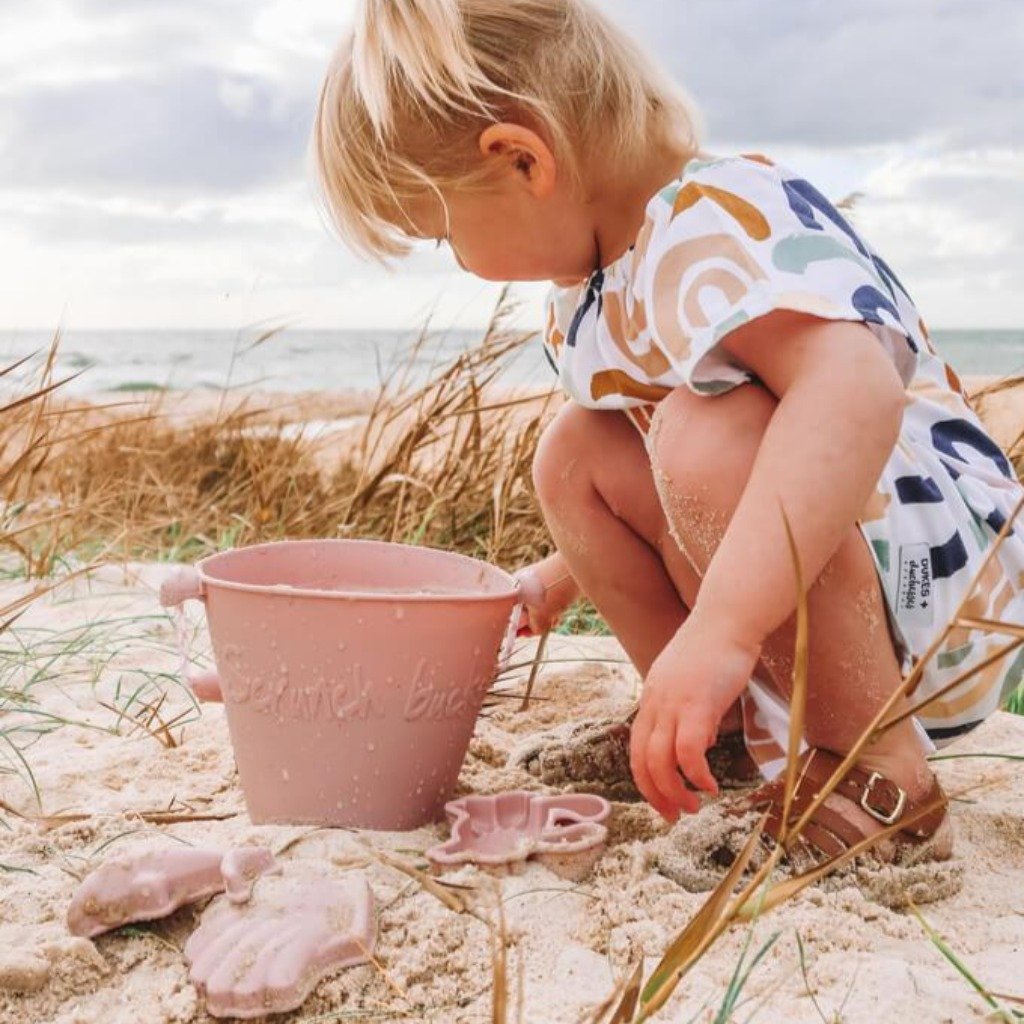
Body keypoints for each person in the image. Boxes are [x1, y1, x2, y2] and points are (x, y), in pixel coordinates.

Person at [312, 0, 1024, 867]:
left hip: (950, 590)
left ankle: (879, 773)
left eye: (442, 235)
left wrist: (722, 629)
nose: (458, 261)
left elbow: (855, 392)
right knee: (578, 452)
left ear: (521, 158)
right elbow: (678, 484)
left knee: (701, 430)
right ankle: (716, 732)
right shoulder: (595, 291)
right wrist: (560, 573)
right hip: (847, 578)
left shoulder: (715, 219)